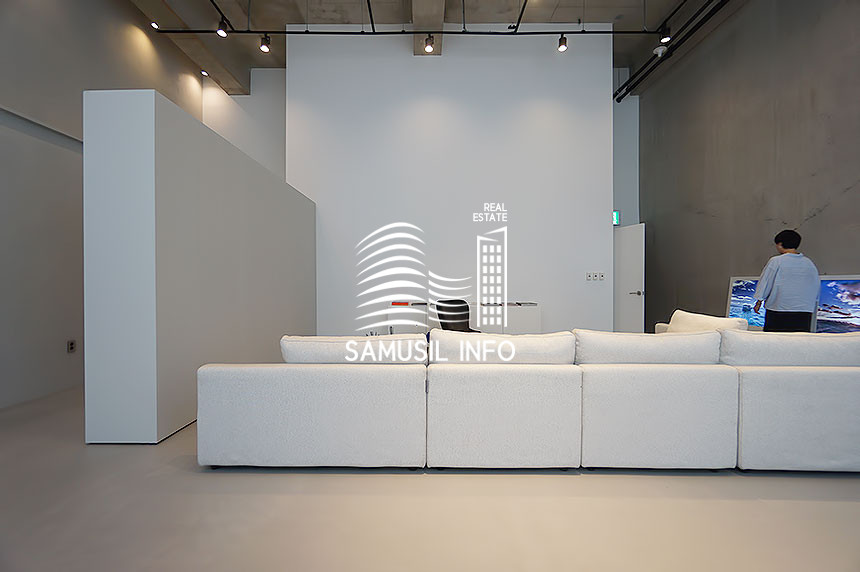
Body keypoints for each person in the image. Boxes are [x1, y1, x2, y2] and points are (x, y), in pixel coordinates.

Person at [753, 229, 819, 332]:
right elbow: (815, 285)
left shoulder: (776, 261)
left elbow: (766, 282)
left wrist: (759, 301)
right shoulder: (809, 263)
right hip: (804, 311)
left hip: (778, 309)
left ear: (780, 244)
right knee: (798, 340)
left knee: (774, 339)